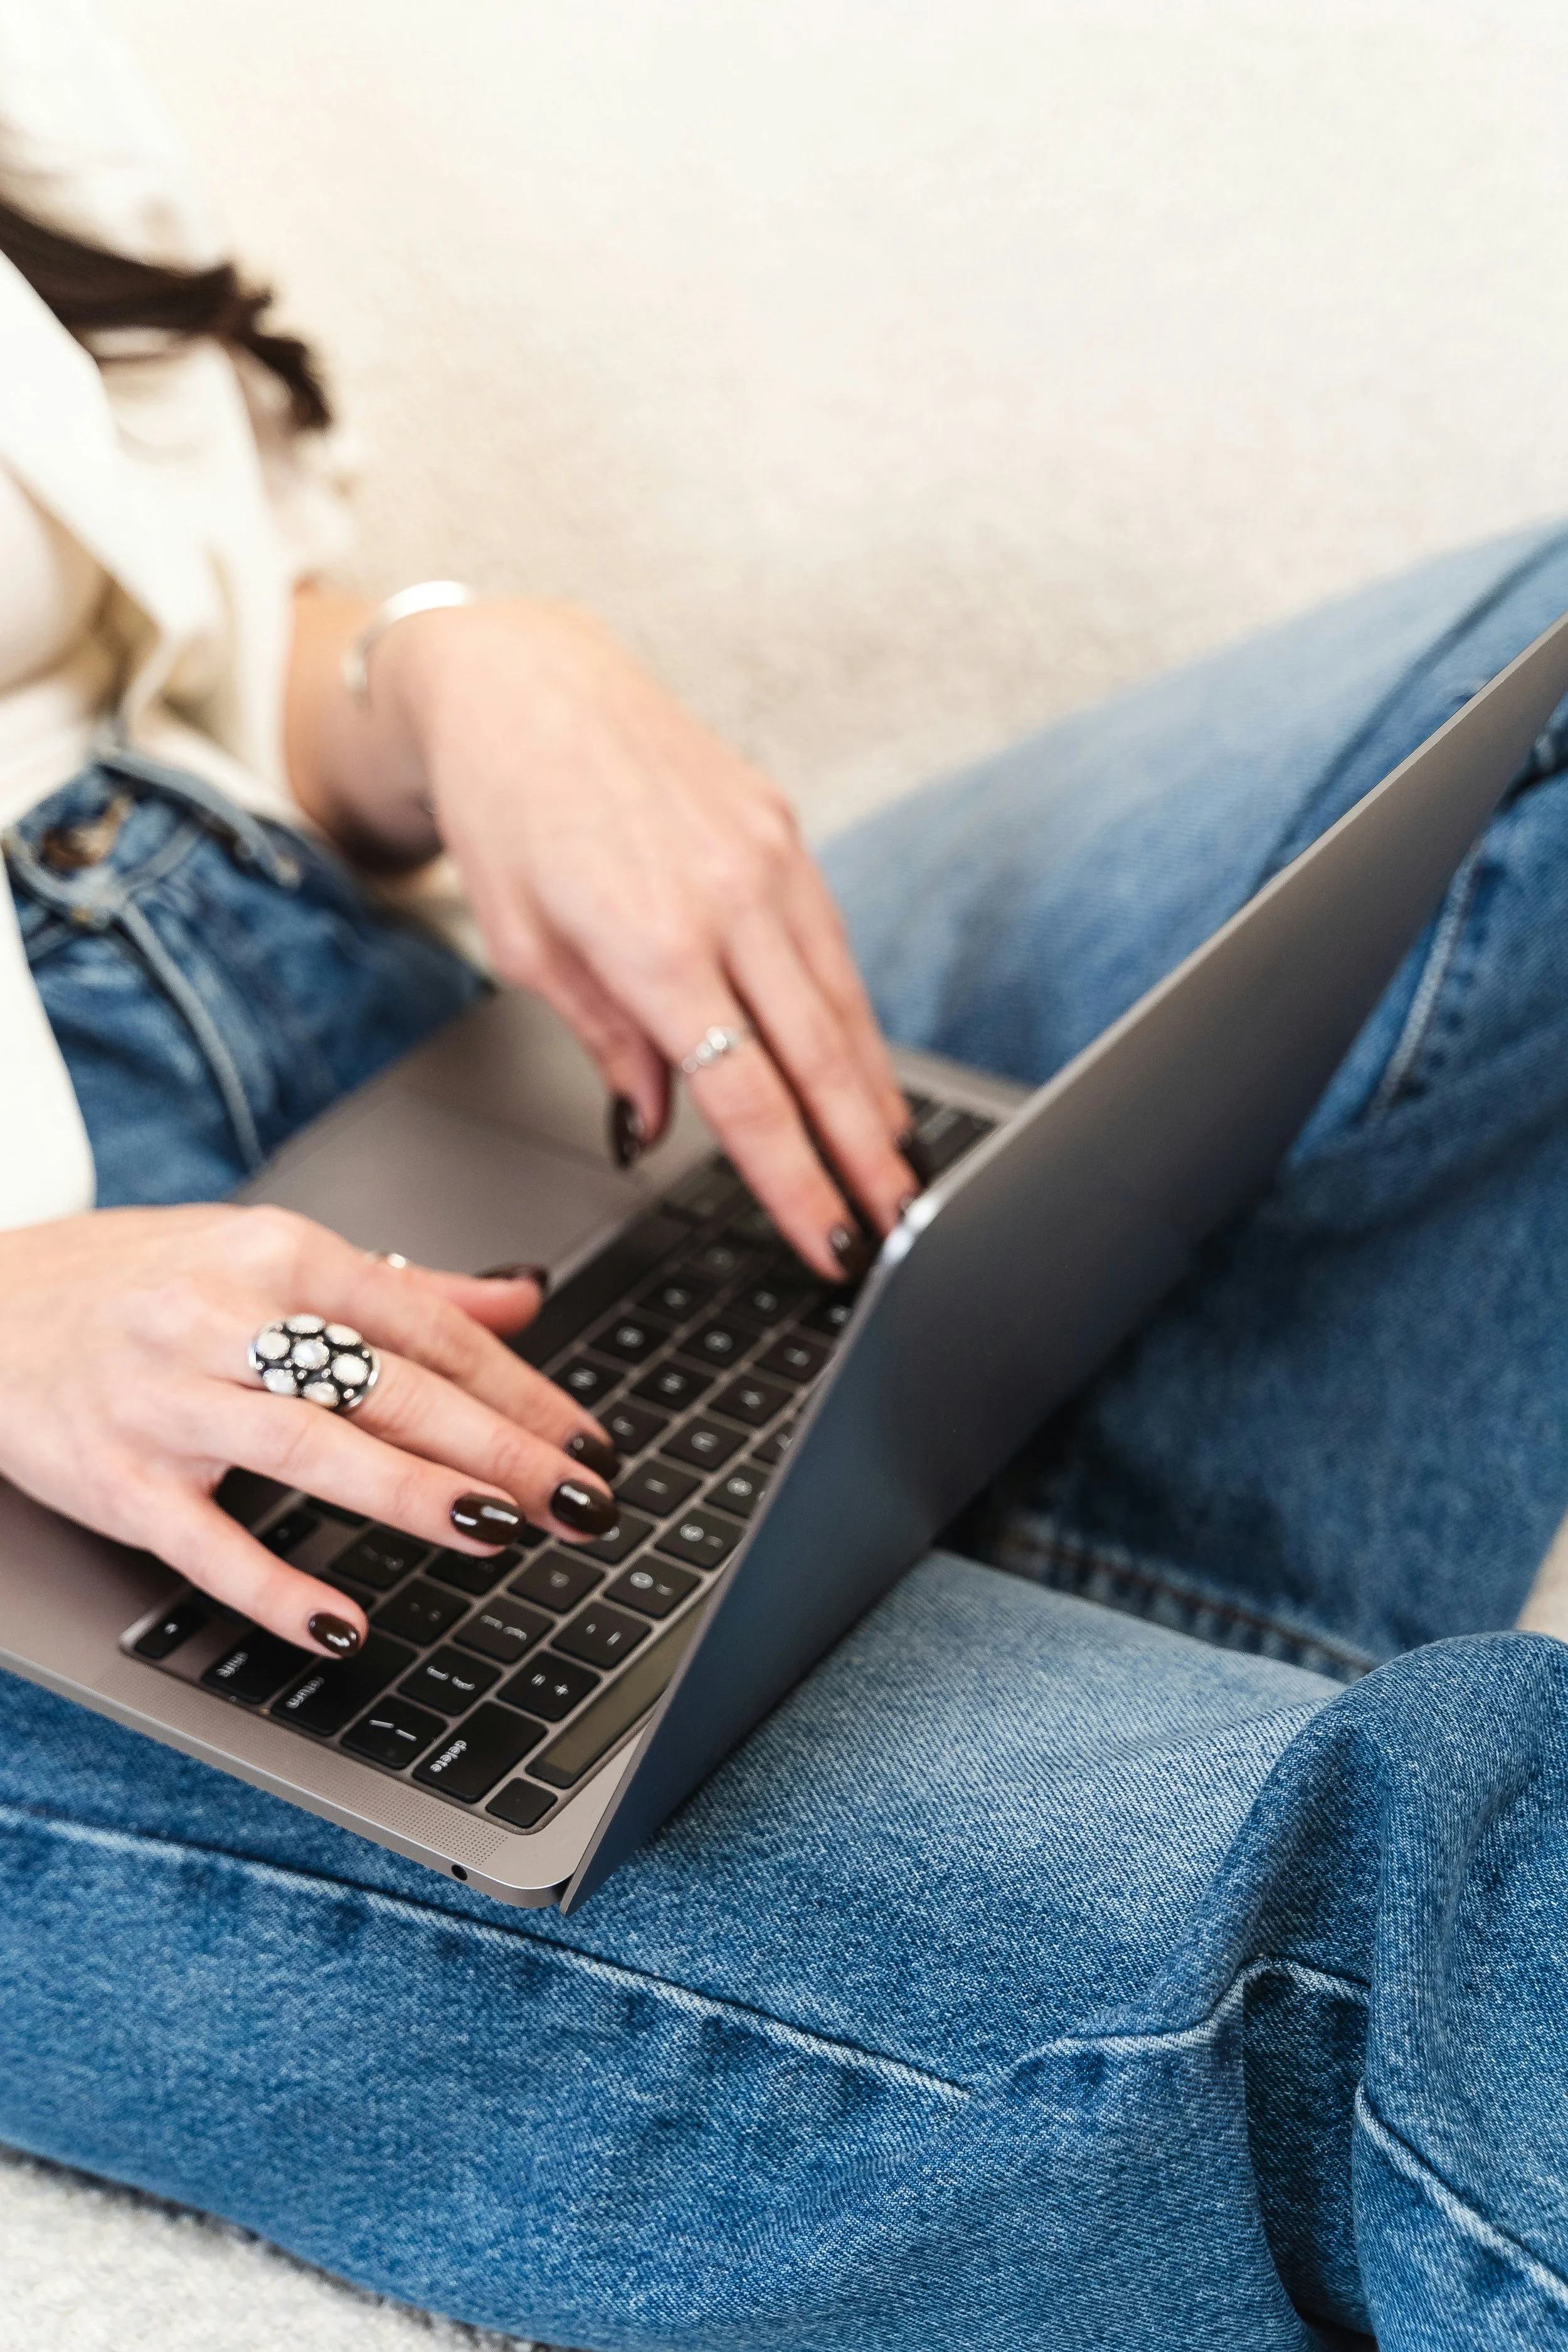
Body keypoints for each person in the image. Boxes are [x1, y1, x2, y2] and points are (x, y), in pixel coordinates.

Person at [0, 10, 1564, 2349]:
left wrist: (453, 675)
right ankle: (1103, 1715)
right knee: (1418, 1940)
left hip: (420, 1044)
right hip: (81, 1476)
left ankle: (999, 1581)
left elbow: (175, 635)